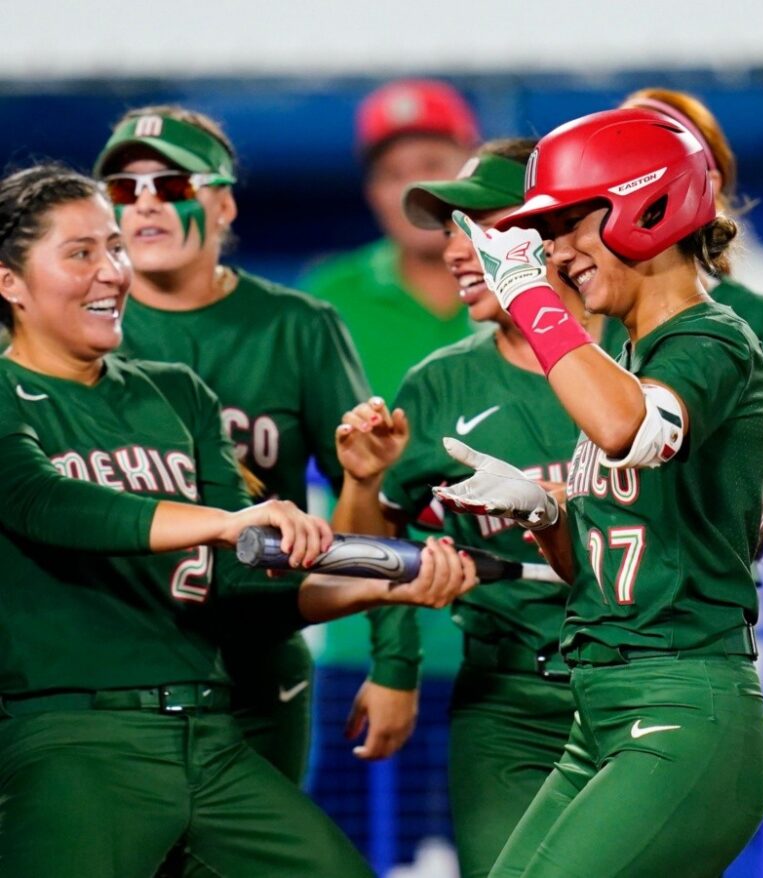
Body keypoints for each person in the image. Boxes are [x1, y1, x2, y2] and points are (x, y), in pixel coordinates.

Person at [0, 163, 476, 878]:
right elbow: (45, 503)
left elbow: (242, 588)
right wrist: (221, 522)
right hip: (76, 740)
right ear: (10, 282)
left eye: (113, 248)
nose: (112, 273)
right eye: (80, 254)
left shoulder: (176, 394)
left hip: (213, 738)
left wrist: (384, 588)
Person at [436, 107, 763, 877]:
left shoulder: (712, 338)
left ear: (648, 204)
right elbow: (596, 568)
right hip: (605, 708)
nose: (554, 251)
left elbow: (631, 428)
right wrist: (548, 511)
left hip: (681, 705)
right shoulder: (631, 357)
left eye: (567, 224)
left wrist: (528, 292)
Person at [332, 137, 607, 878]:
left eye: (480, 226)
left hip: (634, 692)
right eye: (452, 229)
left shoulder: (651, 363)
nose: (454, 250)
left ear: (556, 234)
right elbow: (364, 551)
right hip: (505, 700)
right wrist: (364, 483)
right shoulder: (440, 385)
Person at [92, 105, 372, 784]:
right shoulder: (76, 328)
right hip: (112, 660)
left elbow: (366, 506)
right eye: (126, 190)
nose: (147, 203)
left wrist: (394, 665)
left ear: (224, 206)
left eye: (175, 185)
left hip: (256, 656)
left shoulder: (297, 326)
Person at [301, 78, 482, 673]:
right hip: (364, 645)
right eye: (392, 172)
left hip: (521, 640)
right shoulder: (326, 300)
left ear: (473, 169)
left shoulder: (534, 291)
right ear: (372, 191)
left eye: (433, 164)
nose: (414, 188)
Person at [620, 87, 763, 550]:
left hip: (705, 600)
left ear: (706, 185)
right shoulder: (585, 310)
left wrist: (727, 436)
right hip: (584, 598)